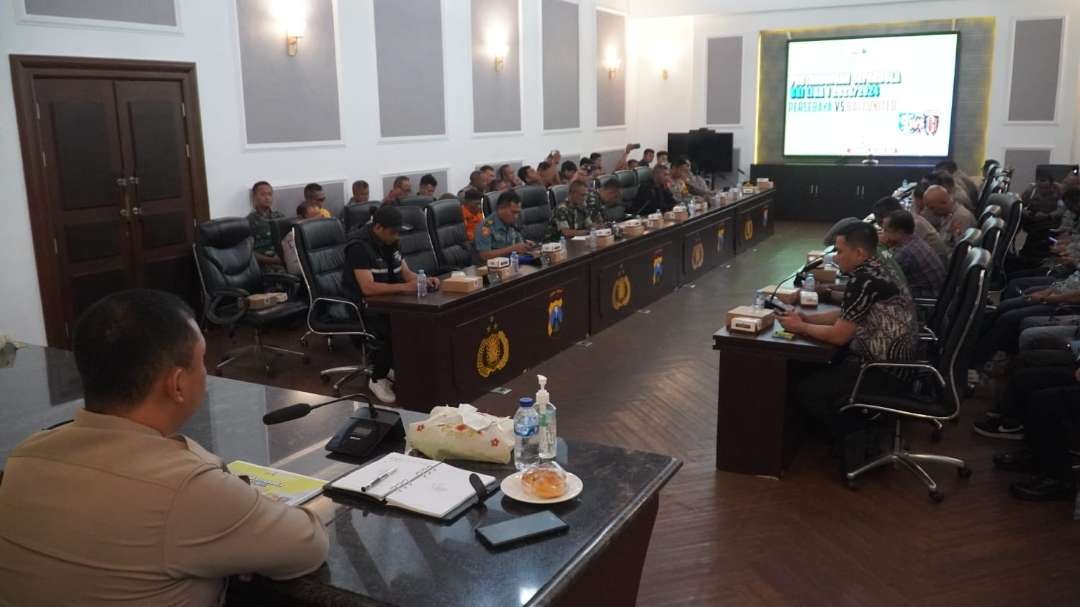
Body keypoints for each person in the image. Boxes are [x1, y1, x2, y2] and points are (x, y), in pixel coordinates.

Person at [0, 290, 332, 605]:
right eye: (202, 360)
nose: (204, 371)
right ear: (176, 384)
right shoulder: (189, 488)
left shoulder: (25, 456)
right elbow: (308, 545)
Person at [779, 222, 918, 449]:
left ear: (859, 252)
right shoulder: (879, 267)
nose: (835, 257)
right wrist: (804, 319)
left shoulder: (865, 280)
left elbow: (839, 336)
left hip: (883, 370)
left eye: (840, 251)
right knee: (816, 369)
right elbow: (846, 316)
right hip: (900, 364)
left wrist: (800, 328)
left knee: (807, 390)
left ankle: (855, 440)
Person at [342, 206, 439, 403]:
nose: (397, 237)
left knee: (417, 322)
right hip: (362, 308)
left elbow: (406, 274)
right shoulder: (358, 248)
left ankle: (393, 367)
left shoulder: (393, 243)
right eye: (393, 232)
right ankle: (377, 378)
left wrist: (423, 280)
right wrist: (406, 287)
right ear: (377, 227)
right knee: (393, 330)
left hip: (390, 302)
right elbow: (368, 288)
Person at [879, 210, 947, 299]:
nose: (883, 234)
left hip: (928, 301)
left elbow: (886, 273)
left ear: (899, 232)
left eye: (886, 230)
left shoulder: (905, 253)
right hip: (940, 293)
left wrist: (882, 246)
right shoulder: (914, 238)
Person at [872, 194, 948, 261]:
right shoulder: (909, 224)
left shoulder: (914, 226)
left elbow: (891, 262)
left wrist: (882, 247)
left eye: (885, 228)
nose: (884, 231)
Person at [475, 190, 534, 260]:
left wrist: (526, 245)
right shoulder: (486, 225)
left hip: (515, 262)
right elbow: (484, 255)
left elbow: (519, 245)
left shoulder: (514, 222)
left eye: (518, 212)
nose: (516, 216)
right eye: (513, 212)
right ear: (501, 209)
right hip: (495, 267)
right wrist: (512, 249)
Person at [921, 184, 976, 250]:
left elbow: (961, 251)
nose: (931, 212)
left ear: (943, 203)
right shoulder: (946, 214)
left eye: (932, 208)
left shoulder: (961, 218)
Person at [246, 181, 285, 267]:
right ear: (254, 197)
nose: (267, 198)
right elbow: (248, 252)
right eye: (263, 194)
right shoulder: (249, 221)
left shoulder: (280, 216)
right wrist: (274, 261)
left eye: (269, 194)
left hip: (285, 261)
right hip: (266, 265)